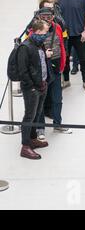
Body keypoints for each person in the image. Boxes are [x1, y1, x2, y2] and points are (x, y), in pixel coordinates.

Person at [33, 0, 67, 140]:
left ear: (53, 17)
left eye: (49, 16)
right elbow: (30, 51)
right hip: (42, 71)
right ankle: (40, 129)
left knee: (57, 99)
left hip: (56, 68)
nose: (46, 19)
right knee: (41, 101)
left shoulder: (58, 27)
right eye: (43, 16)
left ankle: (57, 124)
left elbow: (62, 46)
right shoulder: (33, 30)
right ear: (39, 17)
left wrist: (62, 66)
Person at [17, 20, 52, 160]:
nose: (46, 36)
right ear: (37, 32)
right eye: (44, 33)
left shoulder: (39, 44)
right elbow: (23, 72)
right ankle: (25, 147)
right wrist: (32, 86)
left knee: (37, 114)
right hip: (32, 89)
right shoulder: (25, 47)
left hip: (42, 85)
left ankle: (32, 139)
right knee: (29, 116)